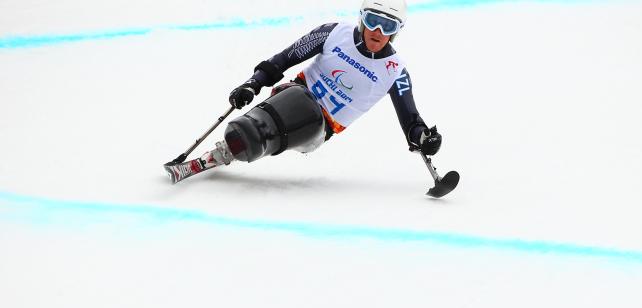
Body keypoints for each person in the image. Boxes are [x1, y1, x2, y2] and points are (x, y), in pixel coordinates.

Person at [166, 0, 443, 183]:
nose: (378, 31)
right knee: (277, 113)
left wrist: (424, 138)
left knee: (299, 111)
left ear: (397, 32)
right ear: (361, 18)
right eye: (372, 20)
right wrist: (253, 83)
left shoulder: (394, 70)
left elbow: (411, 121)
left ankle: (238, 143)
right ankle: (218, 154)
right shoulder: (335, 33)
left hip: (319, 126)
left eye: (389, 26)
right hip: (294, 93)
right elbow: (286, 58)